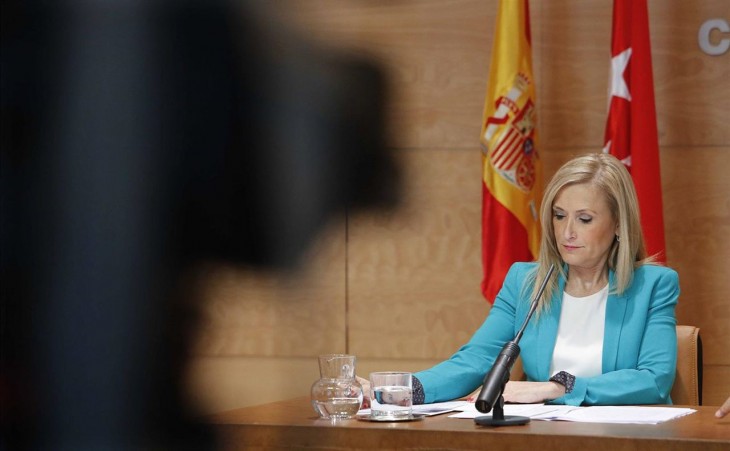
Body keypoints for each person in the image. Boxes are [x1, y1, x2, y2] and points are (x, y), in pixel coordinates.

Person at [362, 153, 680, 407]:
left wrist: (557, 388)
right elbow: (476, 359)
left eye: (584, 219)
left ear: (619, 226)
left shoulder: (653, 285)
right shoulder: (526, 281)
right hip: (545, 437)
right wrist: (397, 390)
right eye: (558, 216)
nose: (566, 232)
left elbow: (653, 380)